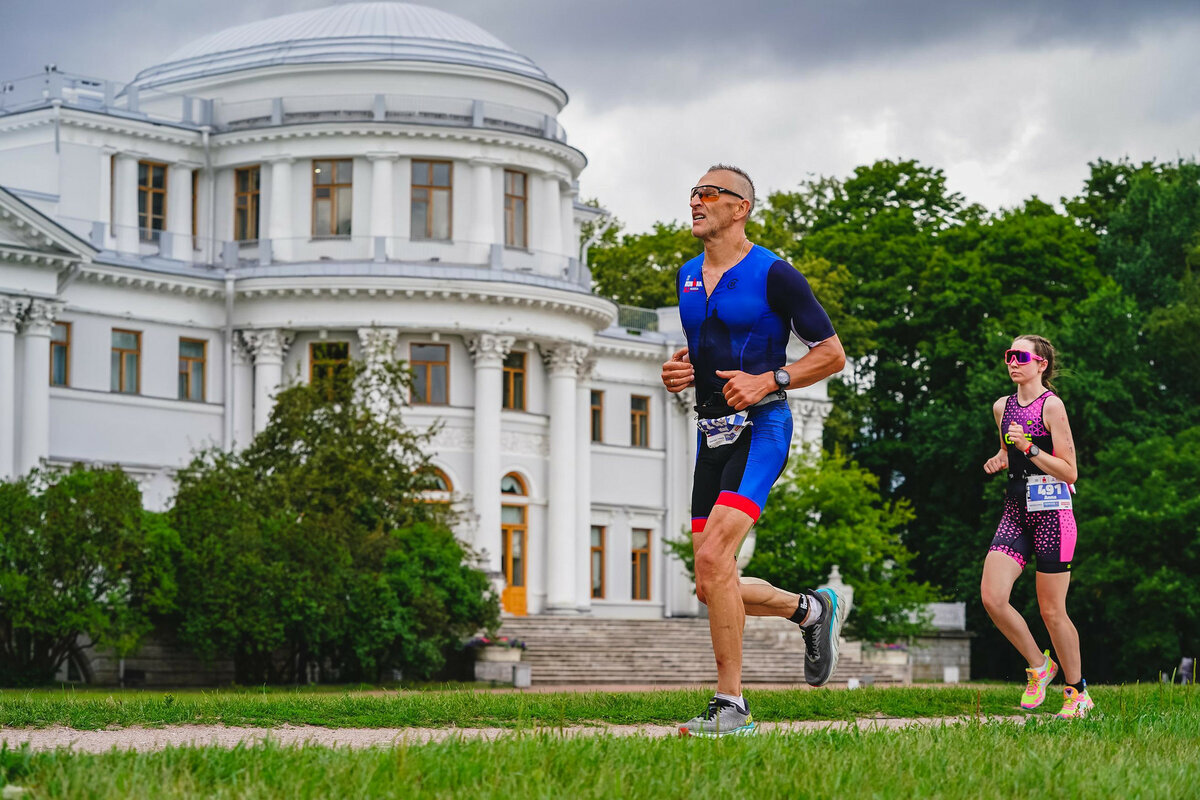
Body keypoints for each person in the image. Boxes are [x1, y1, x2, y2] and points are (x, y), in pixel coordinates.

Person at [662, 164, 850, 737]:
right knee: (708, 583)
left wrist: (771, 379)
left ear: (740, 207)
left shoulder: (775, 273)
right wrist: (679, 371)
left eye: (708, 194)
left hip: (762, 427)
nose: (695, 202)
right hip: (710, 433)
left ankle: (731, 706)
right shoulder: (687, 276)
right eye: (693, 193)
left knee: (716, 563)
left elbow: (832, 354)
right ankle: (809, 609)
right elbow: (705, 351)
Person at [981, 335, 1095, 719]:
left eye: (1020, 357)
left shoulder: (1052, 406)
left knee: (1052, 611)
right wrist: (1001, 457)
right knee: (993, 597)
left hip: (1053, 516)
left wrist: (1029, 448)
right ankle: (1039, 664)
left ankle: (1077, 692)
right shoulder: (1002, 407)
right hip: (1016, 512)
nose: (1012, 363)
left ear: (1041, 364)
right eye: (1008, 356)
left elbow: (1070, 471)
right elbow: (1005, 449)